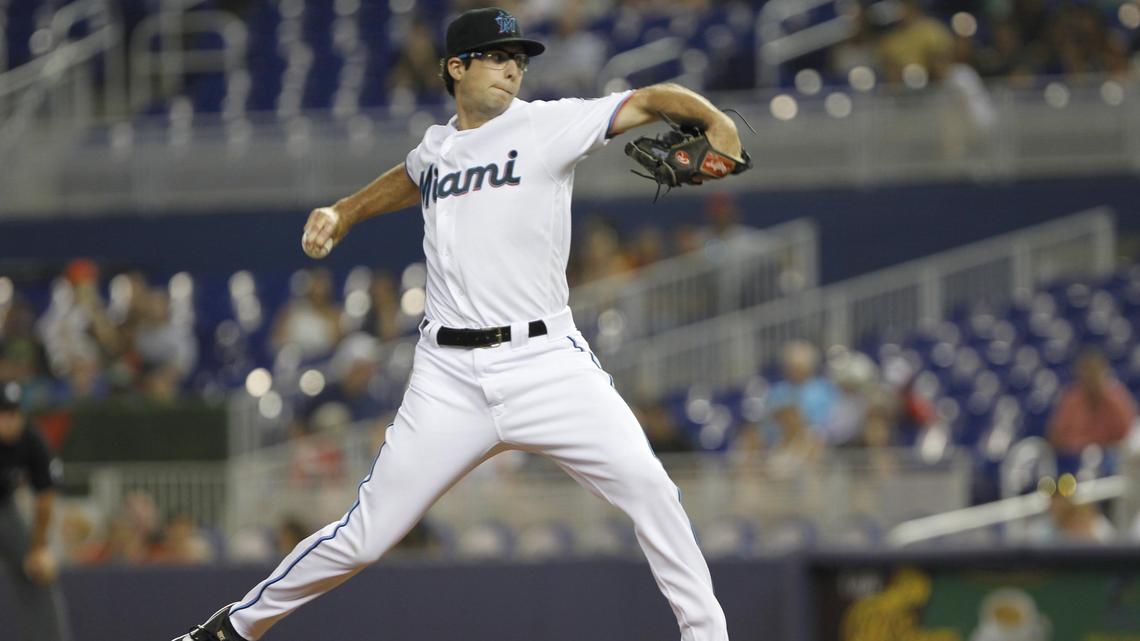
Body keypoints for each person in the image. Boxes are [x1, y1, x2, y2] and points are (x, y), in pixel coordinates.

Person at [174, 7, 744, 641]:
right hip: (448, 377)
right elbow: (412, 175)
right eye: (498, 58)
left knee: (652, 492)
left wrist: (714, 120)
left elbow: (648, 100)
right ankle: (236, 629)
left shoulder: (549, 124)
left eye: (519, 61)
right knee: (364, 535)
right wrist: (345, 211)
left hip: (546, 360)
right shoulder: (437, 148)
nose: (512, 71)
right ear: (456, 67)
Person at [0, 382, 72, 641]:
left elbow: (45, 496)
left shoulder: (30, 439)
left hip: (5, 509)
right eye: (5, 414)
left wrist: (38, 547)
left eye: (15, 413)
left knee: (39, 571)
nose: (12, 421)